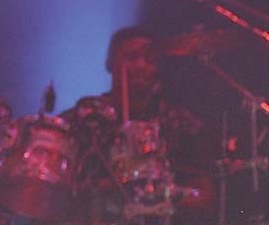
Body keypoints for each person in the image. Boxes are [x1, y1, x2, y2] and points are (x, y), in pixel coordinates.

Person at [64, 27, 217, 225]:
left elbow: (205, 195)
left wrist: (162, 197)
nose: (141, 65)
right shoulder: (85, 118)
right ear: (110, 64)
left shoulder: (178, 122)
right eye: (131, 57)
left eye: (149, 59)